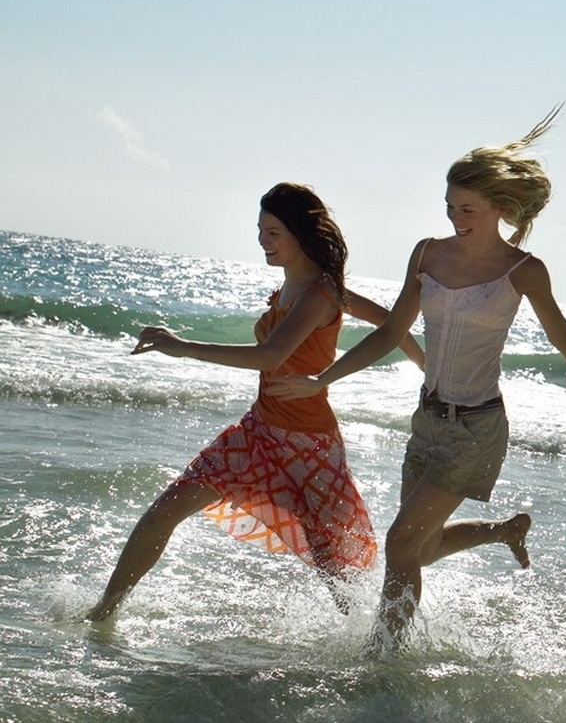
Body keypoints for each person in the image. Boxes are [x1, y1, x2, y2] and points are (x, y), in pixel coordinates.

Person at [269, 109, 566, 640]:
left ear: (501, 208)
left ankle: (382, 656)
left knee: (399, 544)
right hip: (429, 418)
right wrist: (324, 379)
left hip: (477, 428)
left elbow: (561, 331)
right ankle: (504, 531)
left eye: (468, 208)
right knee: (423, 545)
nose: (456, 216)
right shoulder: (428, 254)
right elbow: (390, 331)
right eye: (449, 205)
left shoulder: (523, 269)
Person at [88, 183, 418, 621]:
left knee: (332, 564)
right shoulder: (293, 289)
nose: (263, 241)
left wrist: (429, 370)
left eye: (274, 232)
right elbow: (386, 323)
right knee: (164, 512)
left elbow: (277, 354)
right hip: (258, 432)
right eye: (261, 230)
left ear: (301, 233)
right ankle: (103, 614)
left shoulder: (321, 294)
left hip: (308, 445)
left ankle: (375, 641)